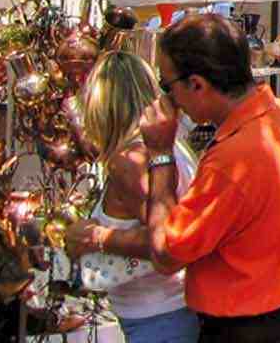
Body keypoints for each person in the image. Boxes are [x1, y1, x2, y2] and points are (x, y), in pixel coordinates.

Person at [67, 14, 280, 343]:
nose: (166, 99)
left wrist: (160, 154)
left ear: (197, 84)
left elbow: (165, 253)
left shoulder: (233, 158)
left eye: (168, 86)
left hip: (246, 328)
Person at [76, 52, 200, 342]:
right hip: (172, 309)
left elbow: (167, 243)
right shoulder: (171, 149)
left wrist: (96, 237)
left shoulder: (131, 160)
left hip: (159, 315)